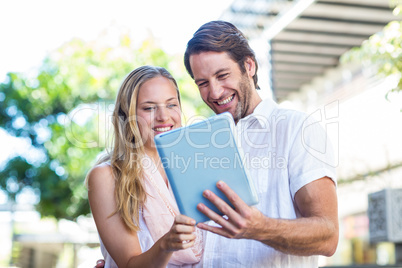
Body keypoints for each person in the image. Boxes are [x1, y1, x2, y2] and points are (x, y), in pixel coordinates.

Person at [182, 20, 339, 267]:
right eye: (202, 83)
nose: (214, 92)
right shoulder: (198, 143)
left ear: (249, 65)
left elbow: (328, 236)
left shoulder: (297, 129)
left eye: (222, 75)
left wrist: (260, 228)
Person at [87, 66, 204, 268]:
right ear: (127, 116)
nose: (163, 117)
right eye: (149, 108)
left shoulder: (194, 166)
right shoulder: (107, 176)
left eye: (171, 105)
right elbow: (130, 264)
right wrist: (165, 245)